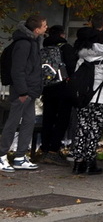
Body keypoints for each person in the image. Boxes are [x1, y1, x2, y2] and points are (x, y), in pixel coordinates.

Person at [0, 15, 47, 173]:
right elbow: (18, 69)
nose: (46, 27)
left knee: (28, 122)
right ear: (36, 29)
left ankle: (20, 156)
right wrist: (22, 91)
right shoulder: (24, 44)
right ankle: (2, 154)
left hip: (30, 89)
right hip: (24, 90)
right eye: (44, 25)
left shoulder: (32, 43)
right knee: (13, 123)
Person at [71, 29, 103, 175]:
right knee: (94, 131)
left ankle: (78, 163)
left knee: (81, 129)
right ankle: (91, 163)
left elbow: (77, 77)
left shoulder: (83, 57)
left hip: (83, 98)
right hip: (100, 99)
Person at [38, 24, 77, 167]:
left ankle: (45, 149)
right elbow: (72, 68)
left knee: (48, 119)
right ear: (62, 34)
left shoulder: (44, 49)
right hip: (63, 89)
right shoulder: (66, 48)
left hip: (48, 89)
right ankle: (54, 151)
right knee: (62, 120)